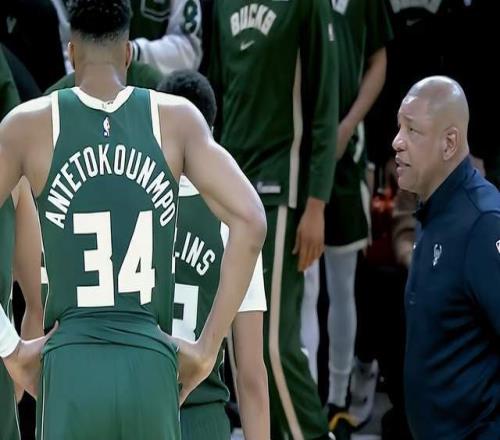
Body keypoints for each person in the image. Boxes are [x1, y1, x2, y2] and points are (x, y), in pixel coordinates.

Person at [0, 1, 266, 439]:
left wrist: (10, 347)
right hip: (150, 360)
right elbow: (252, 220)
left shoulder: (29, 124)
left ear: (71, 53)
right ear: (128, 53)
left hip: (70, 362)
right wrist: (206, 349)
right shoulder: (177, 120)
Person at [209, 1, 339, 438]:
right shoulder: (221, 5)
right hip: (229, 187)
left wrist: (317, 202)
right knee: (242, 350)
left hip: (280, 186)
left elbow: (325, 105)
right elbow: (216, 94)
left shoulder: (307, 5)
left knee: (271, 345)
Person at [158, 69, 270, 440]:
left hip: (133, 411)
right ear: (210, 132)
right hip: (202, 416)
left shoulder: (125, 203)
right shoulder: (238, 218)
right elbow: (250, 374)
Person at [300, 1, 392, 437]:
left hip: (346, 149)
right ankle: (306, 400)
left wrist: (349, 122)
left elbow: (379, 59)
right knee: (304, 285)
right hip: (300, 145)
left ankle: (338, 398)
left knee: (342, 283)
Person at [393, 76, 500, 440]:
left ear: (449, 143)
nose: (397, 142)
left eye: (412, 130)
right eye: (398, 127)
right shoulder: (432, 207)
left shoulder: (483, 223)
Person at [51, 0, 202, 75]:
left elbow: (189, 50)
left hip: (159, 99)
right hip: (83, 97)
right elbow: (61, 51)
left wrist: (132, 53)